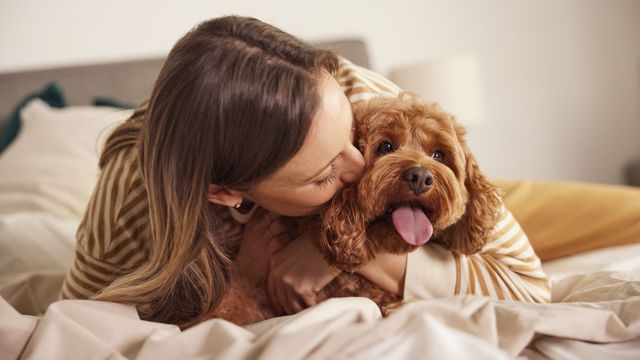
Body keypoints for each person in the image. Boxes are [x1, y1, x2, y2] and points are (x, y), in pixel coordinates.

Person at [59, 15, 550, 328]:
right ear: (227, 192)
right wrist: (246, 274)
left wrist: (341, 252)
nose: (360, 168)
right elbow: (77, 329)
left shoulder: (365, 99)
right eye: (323, 175)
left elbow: (528, 288)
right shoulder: (127, 204)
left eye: (352, 141)